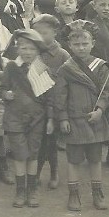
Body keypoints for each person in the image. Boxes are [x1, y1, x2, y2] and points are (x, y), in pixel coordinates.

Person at [52, 21, 109, 211]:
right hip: (74, 121)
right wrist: (63, 118)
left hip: (96, 119)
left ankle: (97, 193)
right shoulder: (66, 68)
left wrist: (100, 110)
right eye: (76, 44)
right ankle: (74, 195)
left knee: (95, 159)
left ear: (92, 44)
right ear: (69, 46)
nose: (81, 48)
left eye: (85, 44)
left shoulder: (101, 67)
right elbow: (60, 96)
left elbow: (108, 92)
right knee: (73, 160)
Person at [0, 29, 56, 208]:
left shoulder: (42, 69)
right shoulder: (11, 68)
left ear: (38, 51)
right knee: (19, 155)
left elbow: (49, 98)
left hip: (37, 119)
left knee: (33, 155)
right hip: (15, 117)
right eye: (23, 48)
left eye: (31, 49)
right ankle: (20, 191)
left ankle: (32, 190)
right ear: (17, 49)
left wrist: (51, 119)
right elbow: (1, 88)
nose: (27, 52)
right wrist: (5, 94)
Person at [31, 14, 70, 191]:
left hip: (54, 104)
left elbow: (67, 78)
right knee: (36, 141)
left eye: (44, 33)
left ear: (54, 32)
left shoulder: (62, 55)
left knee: (50, 142)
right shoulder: (32, 52)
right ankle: (36, 171)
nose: (39, 36)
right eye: (36, 33)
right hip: (36, 103)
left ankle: (53, 171)